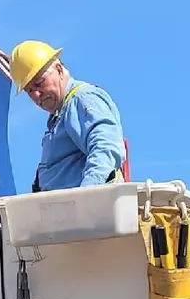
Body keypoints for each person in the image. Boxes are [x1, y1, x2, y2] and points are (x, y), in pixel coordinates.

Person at [9, 40, 128, 193]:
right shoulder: (58, 118)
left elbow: (105, 147)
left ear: (59, 69)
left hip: (87, 210)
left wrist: (86, 196)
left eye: (39, 83)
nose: (36, 94)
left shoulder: (82, 98)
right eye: (29, 91)